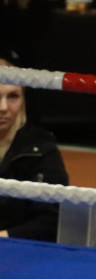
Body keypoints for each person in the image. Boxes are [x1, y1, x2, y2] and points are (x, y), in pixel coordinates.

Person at [0, 57, 69, 241]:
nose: (3, 107)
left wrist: (4, 237)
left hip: (20, 253)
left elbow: (51, 219)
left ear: (23, 98)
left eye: (13, 96)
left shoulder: (41, 147)